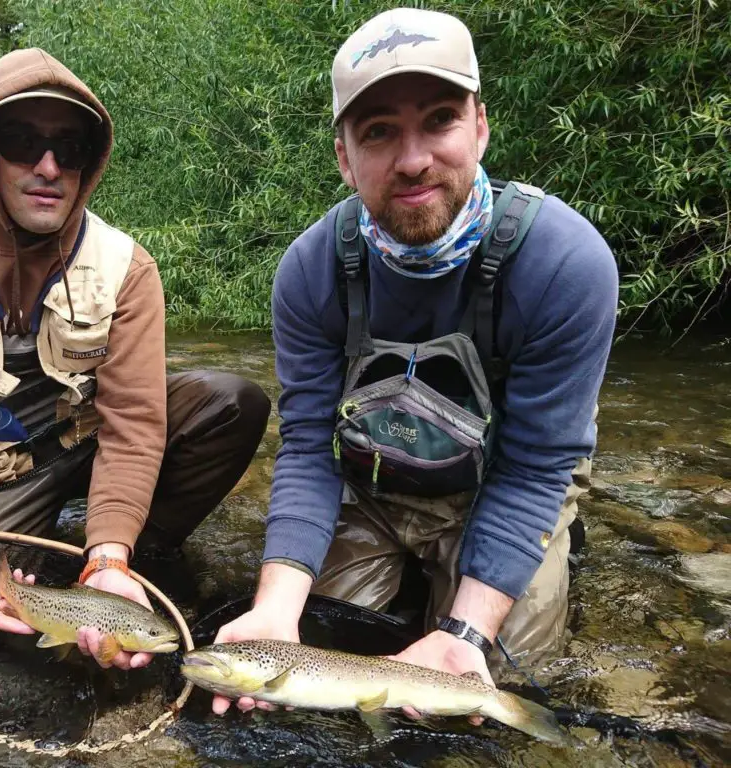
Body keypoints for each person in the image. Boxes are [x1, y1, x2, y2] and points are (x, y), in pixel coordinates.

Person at [213, 7, 617, 717]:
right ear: (343, 156)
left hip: (503, 484)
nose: (412, 159)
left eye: (438, 120)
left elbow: (536, 466)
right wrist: (275, 609)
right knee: (310, 646)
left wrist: (463, 633)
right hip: (369, 483)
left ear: (480, 126)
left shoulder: (566, 263)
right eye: (378, 132)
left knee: (497, 690)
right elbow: (309, 449)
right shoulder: (310, 272)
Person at [0, 48, 270, 671]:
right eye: (22, 142)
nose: (48, 166)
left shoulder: (126, 267)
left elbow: (133, 427)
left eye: (68, 148)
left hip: (82, 442)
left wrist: (108, 553)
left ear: (89, 162)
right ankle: (28, 557)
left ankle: (125, 565)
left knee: (231, 402)